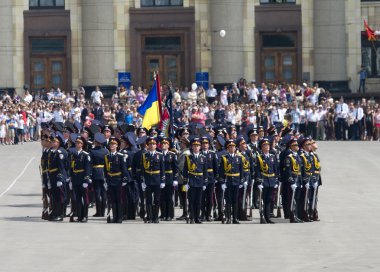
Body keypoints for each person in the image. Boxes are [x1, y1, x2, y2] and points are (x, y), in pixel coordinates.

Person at [219, 139, 244, 224]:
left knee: (235, 200)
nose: (232, 148)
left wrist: (241, 181)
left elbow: (241, 171)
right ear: (227, 148)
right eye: (230, 146)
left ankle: (235, 218)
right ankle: (228, 217)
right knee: (228, 200)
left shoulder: (239, 158)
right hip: (228, 181)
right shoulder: (224, 158)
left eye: (233, 146)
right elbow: (221, 171)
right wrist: (222, 182)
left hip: (236, 181)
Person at [183, 137, 208, 224]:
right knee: (191, 200)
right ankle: (192, 217)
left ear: (200, 147)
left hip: (200, 181)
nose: (196, 147)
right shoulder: (188, 158)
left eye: (198, 146)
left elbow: (205, 171)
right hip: (192, 181)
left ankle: (197, 217)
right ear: (192, 147)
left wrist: (205, 182)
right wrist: (185, 182)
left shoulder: (203, 158)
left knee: (199, 201)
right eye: (194, 146)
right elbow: (185, 171)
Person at [104, 136, 128, 223]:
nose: (112, 145)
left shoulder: (121, 156)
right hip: (110, 180)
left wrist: (124, 179)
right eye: (111, 144)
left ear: (117, 146)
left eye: (114, 144)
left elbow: (124, 169)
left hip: (118, 180)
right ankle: (114, 217)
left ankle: (119, 217)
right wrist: (105, 180)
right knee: (112, 199)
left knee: (119, 199)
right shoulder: (107, 157)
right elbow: (105, 170)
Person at [141, 137, 165, 223]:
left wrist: (162, 181)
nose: (152, 145)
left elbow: (162, 169)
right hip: (148, 180)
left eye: (153, 144)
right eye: (150, 144)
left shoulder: (160, 155)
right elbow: (143, 169)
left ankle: (156, 217)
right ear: (148, 145)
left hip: (157, 180)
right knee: (148, 200)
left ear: (156, 145)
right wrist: (142, 181)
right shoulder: (144, 155)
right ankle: (149, 216)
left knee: (157, 199)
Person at [69, 136, 92, 222]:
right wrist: (70, 178)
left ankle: (85, 216)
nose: (77, 144)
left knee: (85, 198)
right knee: (77, 198)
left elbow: (88, 168)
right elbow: (71, 167)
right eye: (76, 143)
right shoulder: (73, 155)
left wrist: (86, 179)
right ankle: (79, 215)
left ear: (82, 144)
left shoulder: (86, 155)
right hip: (75, 179)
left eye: (79, 143)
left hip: (83, 179)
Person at [255, 138, 279, 224]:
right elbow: (257, 170)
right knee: (263, 200)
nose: (267, 147)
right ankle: (262, 217)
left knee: (269, 200)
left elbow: (276, 169)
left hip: (271, 181)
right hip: (263, 181)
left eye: (268, 145)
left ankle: (268, 217)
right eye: (265, 145)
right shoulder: (259, 158)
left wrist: (276, 181)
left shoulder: (273, 157)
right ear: (262, 147)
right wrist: (259, 182)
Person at [89, 133, 109, 217]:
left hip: (96, 172)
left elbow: (90, 163)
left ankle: (98, 212)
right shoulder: (106, 151)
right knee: (103, 193)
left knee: (97, 192)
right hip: (104, 172)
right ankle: (103, 211)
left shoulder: (92, 151)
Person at [200, 135, 218, 222]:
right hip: (201, 177)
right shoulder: (199, 153)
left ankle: (208, 215)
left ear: (209, 144)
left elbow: (216, 167)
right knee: (202, 197)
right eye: (203, 143)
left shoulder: (212, 153)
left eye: (206, 143)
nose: (205, 145)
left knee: (210, 197)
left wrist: (216, 177)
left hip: (210, 177)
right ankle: (202, 214)